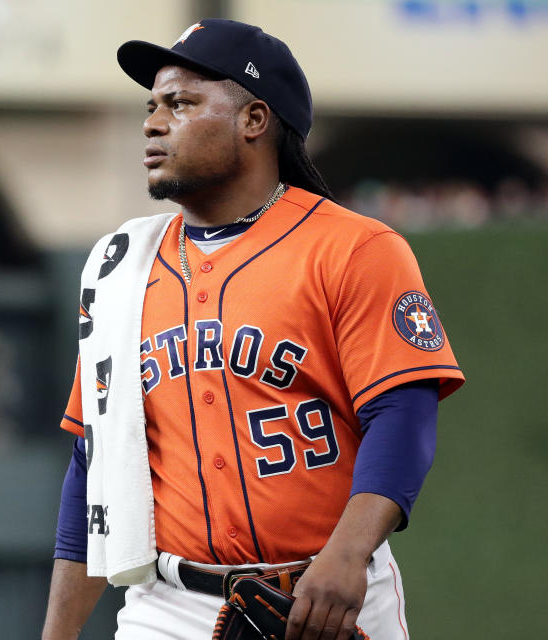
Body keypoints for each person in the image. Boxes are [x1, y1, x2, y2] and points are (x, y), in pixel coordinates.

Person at [41, 19, 464, 640]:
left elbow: (402, 415)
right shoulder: (118, 265)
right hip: (168, 605)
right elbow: (93, 463)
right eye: (151, 105)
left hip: (326, 601)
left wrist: (347, 555)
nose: (153, 123)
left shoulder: (355, 248)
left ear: (255, 120)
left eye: (181, 103)